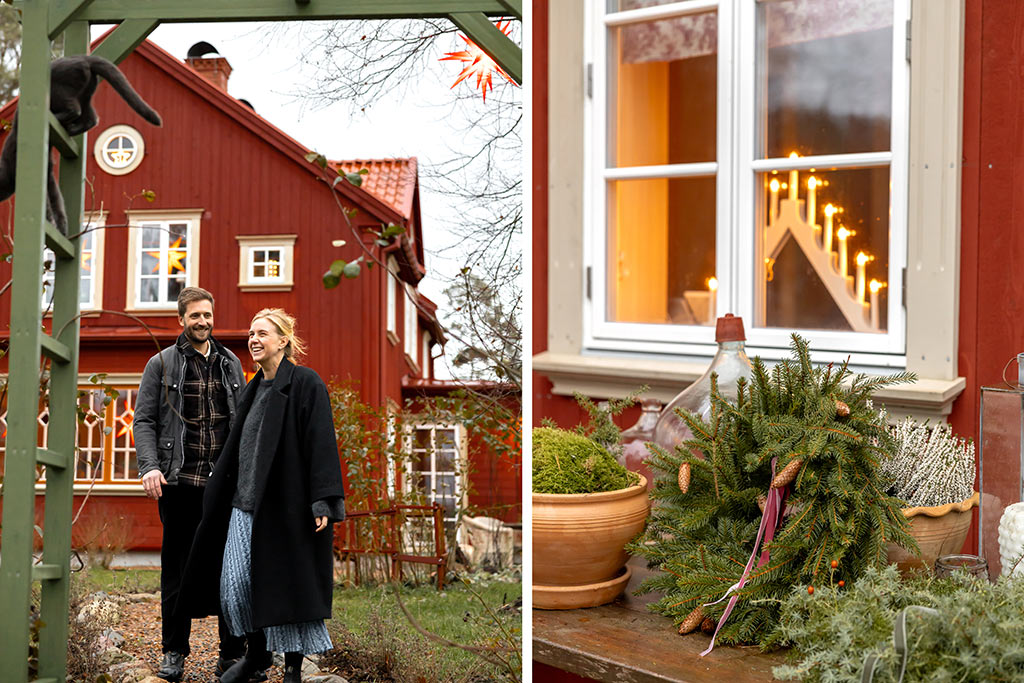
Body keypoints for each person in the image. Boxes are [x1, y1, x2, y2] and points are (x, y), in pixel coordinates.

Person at [179, 308, 346, 683]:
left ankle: (291, 667)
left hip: (286, 507)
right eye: (251, 334)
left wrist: (323, 500)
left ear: (283, 341)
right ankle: (256, 655)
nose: (254, 339)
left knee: (287, 586)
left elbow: (320, 443)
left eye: (263, 333)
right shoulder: (253, 388)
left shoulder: (305, 383)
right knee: (235, 587)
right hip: (243, 505)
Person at [134, 287, 257, 682]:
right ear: (181, 320)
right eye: (194, 316)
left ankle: (232, 654)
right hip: (179, 484)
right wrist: (150, 467)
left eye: (207, 315)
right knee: (178, 571)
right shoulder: (161, 364)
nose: (202, 322)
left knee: (230, 570)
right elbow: (144, 421)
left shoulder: (230, 363)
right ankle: (174, 652)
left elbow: (243, 424)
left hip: (223, 487)